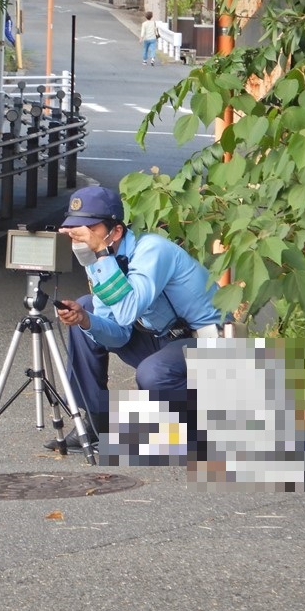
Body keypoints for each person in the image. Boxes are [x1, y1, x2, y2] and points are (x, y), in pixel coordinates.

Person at [49, 186, 223, 451]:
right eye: (74, 230)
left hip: (208, 341)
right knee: (86, 309)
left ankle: (203, 429)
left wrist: (101, 254)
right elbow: (118, 333)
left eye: (88, 230)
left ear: (116, 231)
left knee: (154, 373)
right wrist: (85, 320)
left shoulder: (152, 250)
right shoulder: (100, 261)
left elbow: (128, 310)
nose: (80, 239)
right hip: (164, 339)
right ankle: (96, 424)